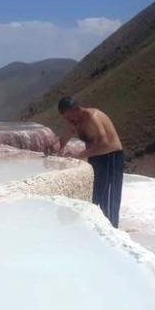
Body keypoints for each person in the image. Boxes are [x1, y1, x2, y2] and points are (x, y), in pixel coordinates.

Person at [52, 96, 124, 227]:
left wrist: (79, 154)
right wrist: (51, 151)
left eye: (70, 117)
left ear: (77, 109)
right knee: (94, 195)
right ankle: (97, 230)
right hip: (95, 158)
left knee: (108, 199)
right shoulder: (75, 122)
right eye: (66, 119)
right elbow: (62, 141)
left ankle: (112, 231)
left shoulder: (93, 117)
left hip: (110, 156)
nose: (69, 121)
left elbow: (104, 144)